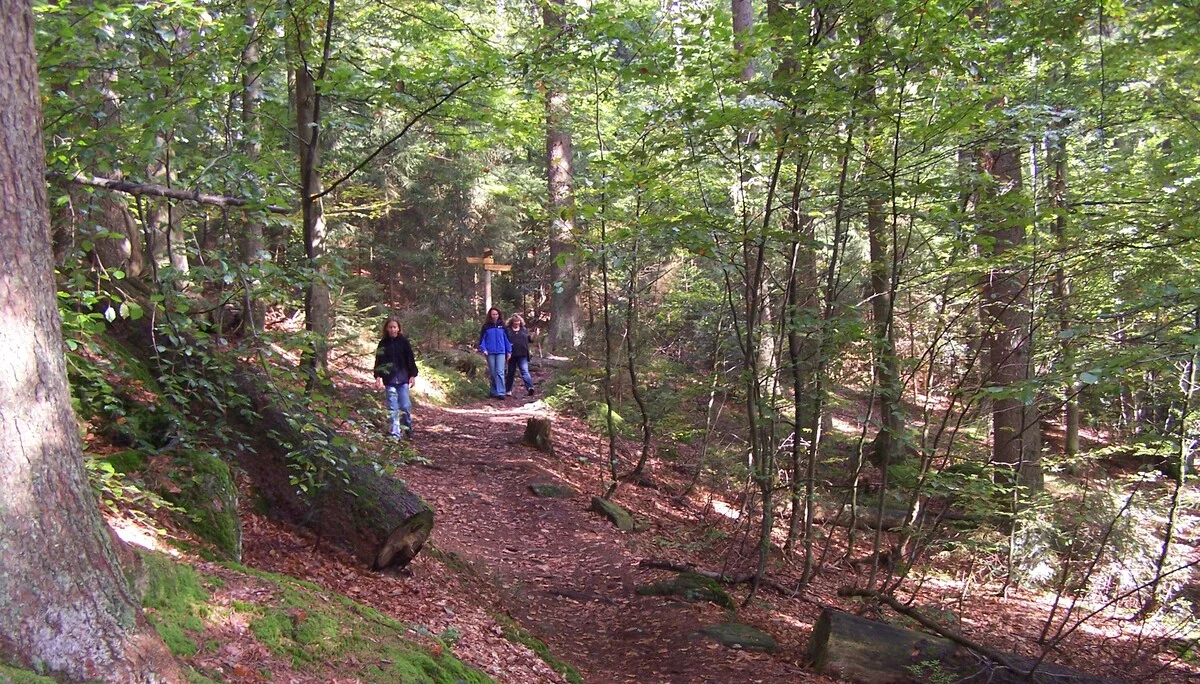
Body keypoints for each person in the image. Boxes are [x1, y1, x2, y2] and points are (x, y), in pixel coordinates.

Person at [374, 317, 418, 438]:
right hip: (389, 380)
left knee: (405, 406)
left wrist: (412, 375)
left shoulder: (403, 342)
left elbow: (410, 359)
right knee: (392, 407)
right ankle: (395, 433)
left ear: (398, 329)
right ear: (386, 329)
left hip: (403, 379)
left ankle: (408, 427)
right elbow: (379, 360)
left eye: (395, 327)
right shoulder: (383, 343)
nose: (393, 329)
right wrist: (377, 376)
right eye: (390, 327)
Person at [478, 307, 512, 399]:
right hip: (490, 352)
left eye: (496, 314)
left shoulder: (503, 326)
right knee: (492, 372)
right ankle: (493, 391)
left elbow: (507, 340)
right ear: (490, 315)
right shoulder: (486, 326)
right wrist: (483, 349)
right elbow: (482, 340)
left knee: (500, 372)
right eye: (493, 314)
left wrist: (509, 351)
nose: (495, 316)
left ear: (499, 315)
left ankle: (501, 392)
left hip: (501, 351)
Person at [505, 314, 536, 396]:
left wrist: (535, 334)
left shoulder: (523, 330)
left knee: (525, 371)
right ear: (512, 322)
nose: (517, 323)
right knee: (511, 372)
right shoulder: (507, 330)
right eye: (515, 322)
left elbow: (530, 340)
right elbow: (504, 340)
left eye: (518, 321)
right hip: (511, 354)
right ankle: (508, 390)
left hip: (522, 354)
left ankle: (530, 387)